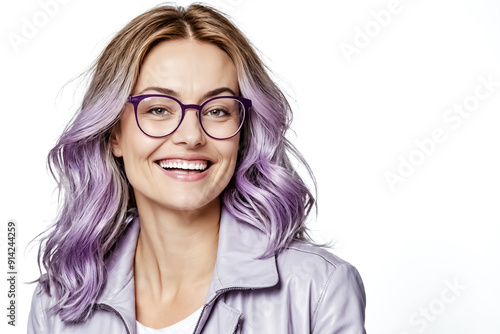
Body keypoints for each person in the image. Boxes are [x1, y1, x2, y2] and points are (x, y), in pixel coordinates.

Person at [28, 3, 366, 333]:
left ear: (242, 132)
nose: (191, 136)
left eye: (218, 110)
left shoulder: (316, 288)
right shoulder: (57, 303)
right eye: (158, 109)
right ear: (114, 133)